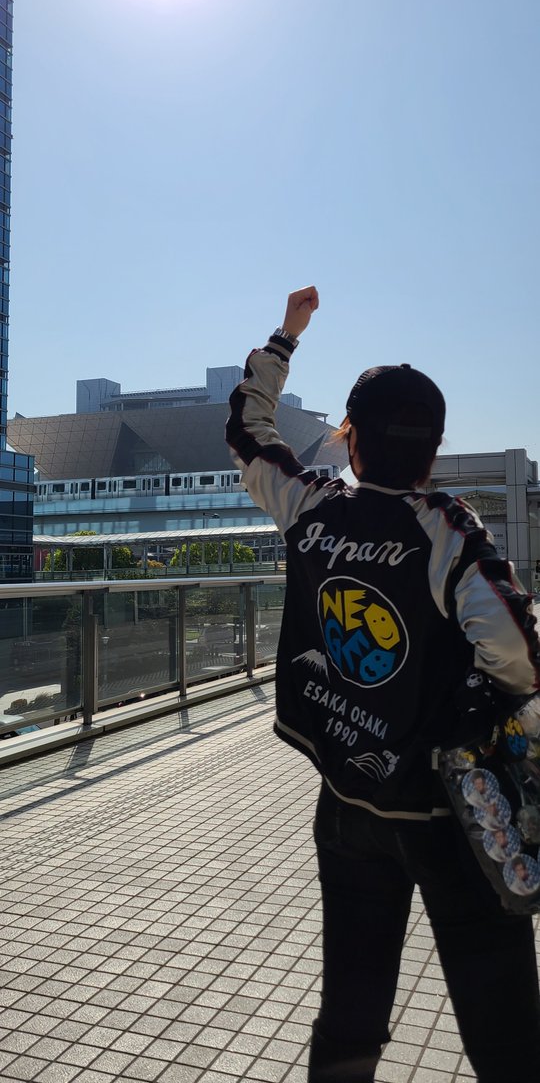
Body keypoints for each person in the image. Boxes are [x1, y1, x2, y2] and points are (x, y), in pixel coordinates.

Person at [225, 287, 540, 1083]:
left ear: (350, 436)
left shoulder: (310, 505)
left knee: (352, 1005)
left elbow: (248, 430)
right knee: (502, 1021)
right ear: (433, 450)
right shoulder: (448, 531)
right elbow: (517, 654)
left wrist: (286, 337)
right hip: (449, 813)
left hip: (348, 804)